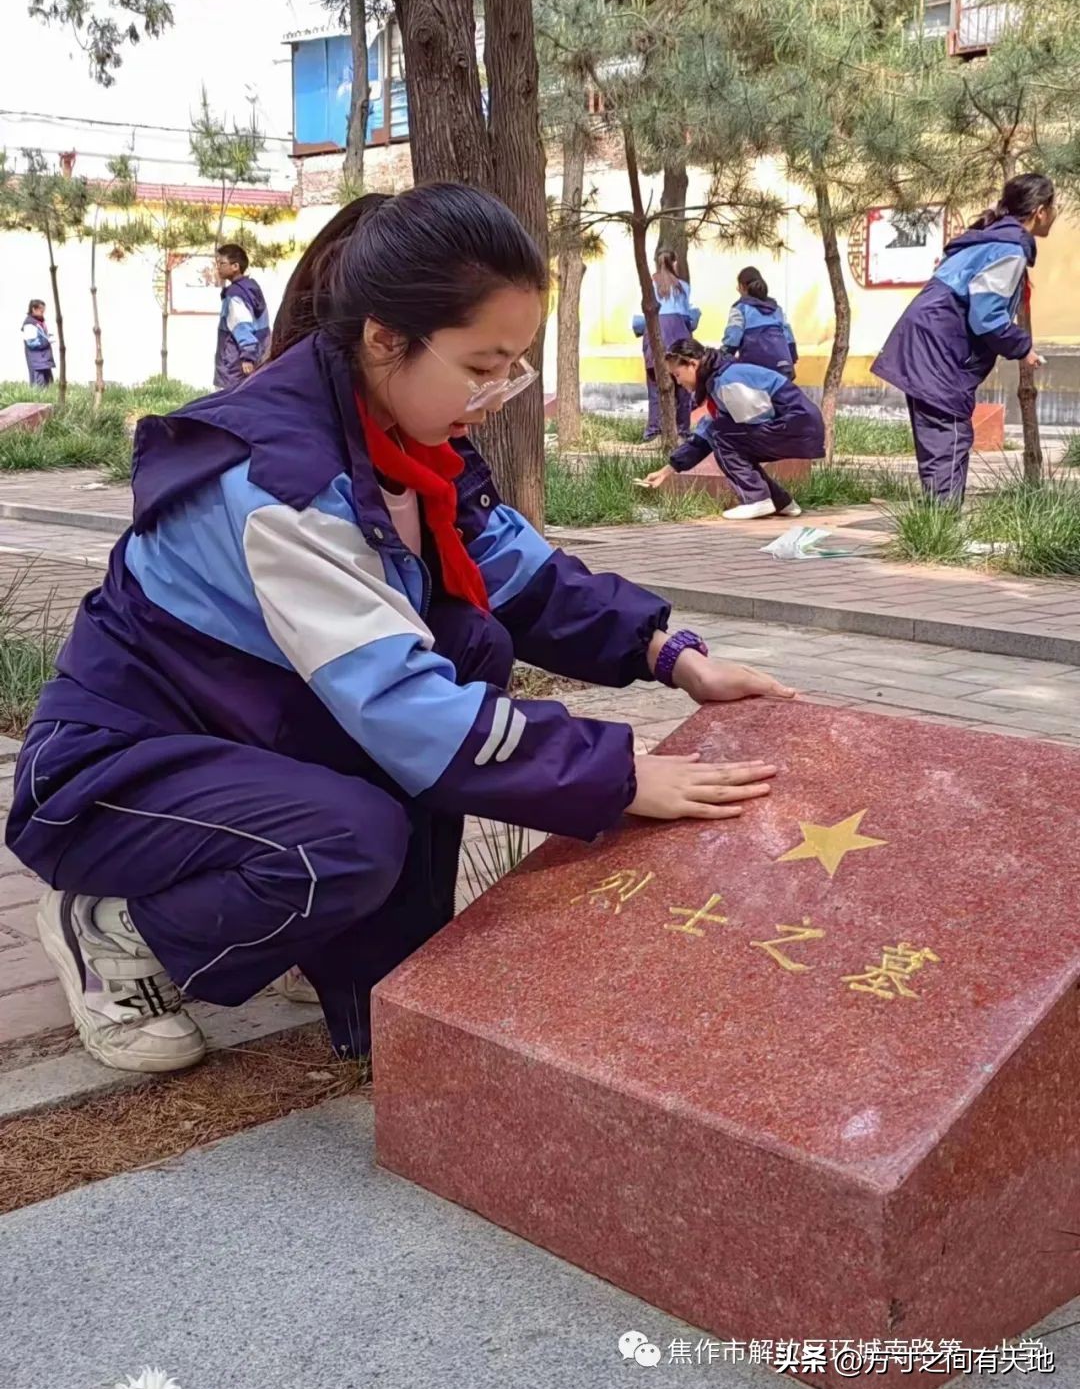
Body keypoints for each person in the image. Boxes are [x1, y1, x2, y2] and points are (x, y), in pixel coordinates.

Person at [7, 183, 794, 1076]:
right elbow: (402, 707)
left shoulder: (413, 446)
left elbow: (524, 579)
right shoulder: (284, 486)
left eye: (515, 366)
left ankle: (327, 930)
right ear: (385, 339)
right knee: (345, 843)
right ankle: (116, 928)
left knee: (471, 646)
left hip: (262, 740)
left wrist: (673, 655)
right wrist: (616, 775)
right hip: (123, 773)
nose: (499, 395)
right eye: (480, 364)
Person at [871, 173, 1056, 503]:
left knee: (941, 439)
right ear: (1040, 210)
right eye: (1054, 208)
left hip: (925, 345)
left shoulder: (987, 240)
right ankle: (940, 533)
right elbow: (986, 315)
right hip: (937, 352)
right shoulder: (1008, 249)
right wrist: (1022, 347)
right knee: (950, 437)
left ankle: (937, 524)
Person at [643, 339, 824, 520]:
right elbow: (705, 436)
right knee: (724, 436)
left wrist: (722, 431)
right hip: (796, 425)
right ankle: (780, 502)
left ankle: (757, 499)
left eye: (677, 374)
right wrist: (667, 470)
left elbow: (742, 425)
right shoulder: (718, 379)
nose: (678, 382)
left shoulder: (727, 380)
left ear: (692, 364)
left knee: (724, 437)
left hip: (798, 424)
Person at [631, 248, 701, 441]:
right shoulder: (683, 287)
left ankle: (654, 431)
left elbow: (637, 323)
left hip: (654, 337)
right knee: (683, 386)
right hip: (679, 337)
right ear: (675, 263)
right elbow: (690, 320)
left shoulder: (648, 285)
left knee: (655, 386)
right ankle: (683, 430)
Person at [722, 267, 798, 379]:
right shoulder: (777, 308)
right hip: (783, 367)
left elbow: (733, 338)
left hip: (756, 368)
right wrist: (791, 359)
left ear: (742, 287)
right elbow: (789, 337)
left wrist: (722, 356)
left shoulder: (740, 308)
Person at [214, 243, 271, 389]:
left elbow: (242, 326)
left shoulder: (235, 294)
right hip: (260, 353)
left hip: (237, 363)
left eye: (222, 263)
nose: (218, 267)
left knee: (231, 402)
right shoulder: (251, 287)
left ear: (235, 266)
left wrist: (247, 357)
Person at [21, 299, 55, 388]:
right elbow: (31, 343)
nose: (43, 312)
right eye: (41, 310)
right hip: (37, 360)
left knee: (49, 383)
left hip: (44, 360)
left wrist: (47, 337)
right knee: (39, 385)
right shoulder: (29, 324)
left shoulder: (40, 322)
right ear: (34, 309)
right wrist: (47, 341)